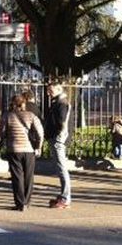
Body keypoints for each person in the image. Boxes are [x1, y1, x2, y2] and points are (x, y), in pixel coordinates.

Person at [0, 94, 43, 211]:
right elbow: (40, 132)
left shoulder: (7, 116)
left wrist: (2, 141)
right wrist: (39, 146)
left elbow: (1, 132)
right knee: (29, 176)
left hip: (14, 149)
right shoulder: (31, 115)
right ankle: (27, 201)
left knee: (17, 176)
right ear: (23, 104)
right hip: (29, 150)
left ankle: (20, 203)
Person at [44, 81, 72, 209]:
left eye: (51, 90)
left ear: (59, 89)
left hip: (58, 139)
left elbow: (61, 122)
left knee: (61, 168)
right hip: (57, 138)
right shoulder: (59, 102)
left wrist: (56, 136)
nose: (48, 93)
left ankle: (65, 197)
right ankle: (64, 196)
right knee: (60, 168)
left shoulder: (62, 104)